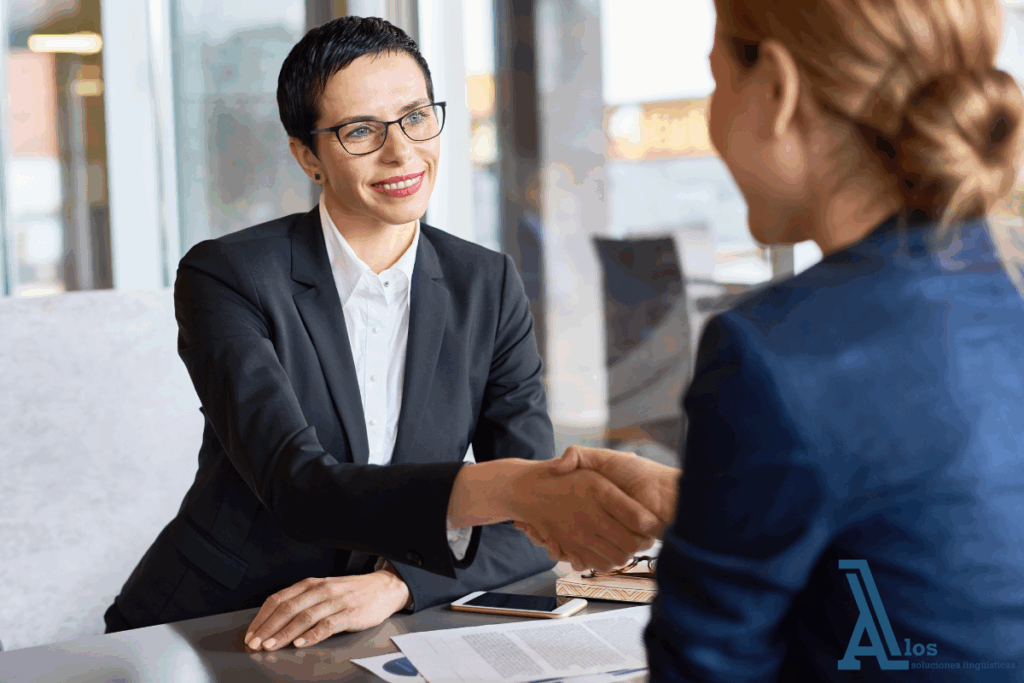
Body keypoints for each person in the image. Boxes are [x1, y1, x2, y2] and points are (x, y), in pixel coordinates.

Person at [104, 16, 661, 652]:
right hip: (221, 620)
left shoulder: (486, 281)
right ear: (308, 156)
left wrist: (398, 583)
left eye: (416, 118)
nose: (401, 153)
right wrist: (521, 489)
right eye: (360, 131)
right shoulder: (227, 275)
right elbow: (297, 486)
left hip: (387, 627)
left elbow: (528, 527)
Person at [524, 0, 1024, 678]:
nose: (713, 117)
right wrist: (705, 502)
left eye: (717, 81)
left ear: (778, 90)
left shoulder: (773, 353)